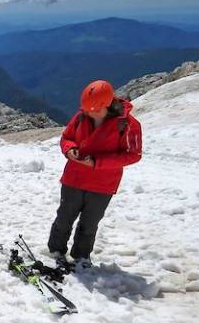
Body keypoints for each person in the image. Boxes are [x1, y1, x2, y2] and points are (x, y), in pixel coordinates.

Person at [48, 80, 142, 270]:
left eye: (95, 110)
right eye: (87, 109)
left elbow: (133, 155)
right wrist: (70, 150)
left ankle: (81, 256)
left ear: (107, 105)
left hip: (102, 183)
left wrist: (97, 163)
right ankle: (56, 250)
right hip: (75, 177)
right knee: (65, 216)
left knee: (89, 223)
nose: (90, 113)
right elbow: (67, 137)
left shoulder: (128, 124)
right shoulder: (81, 116)